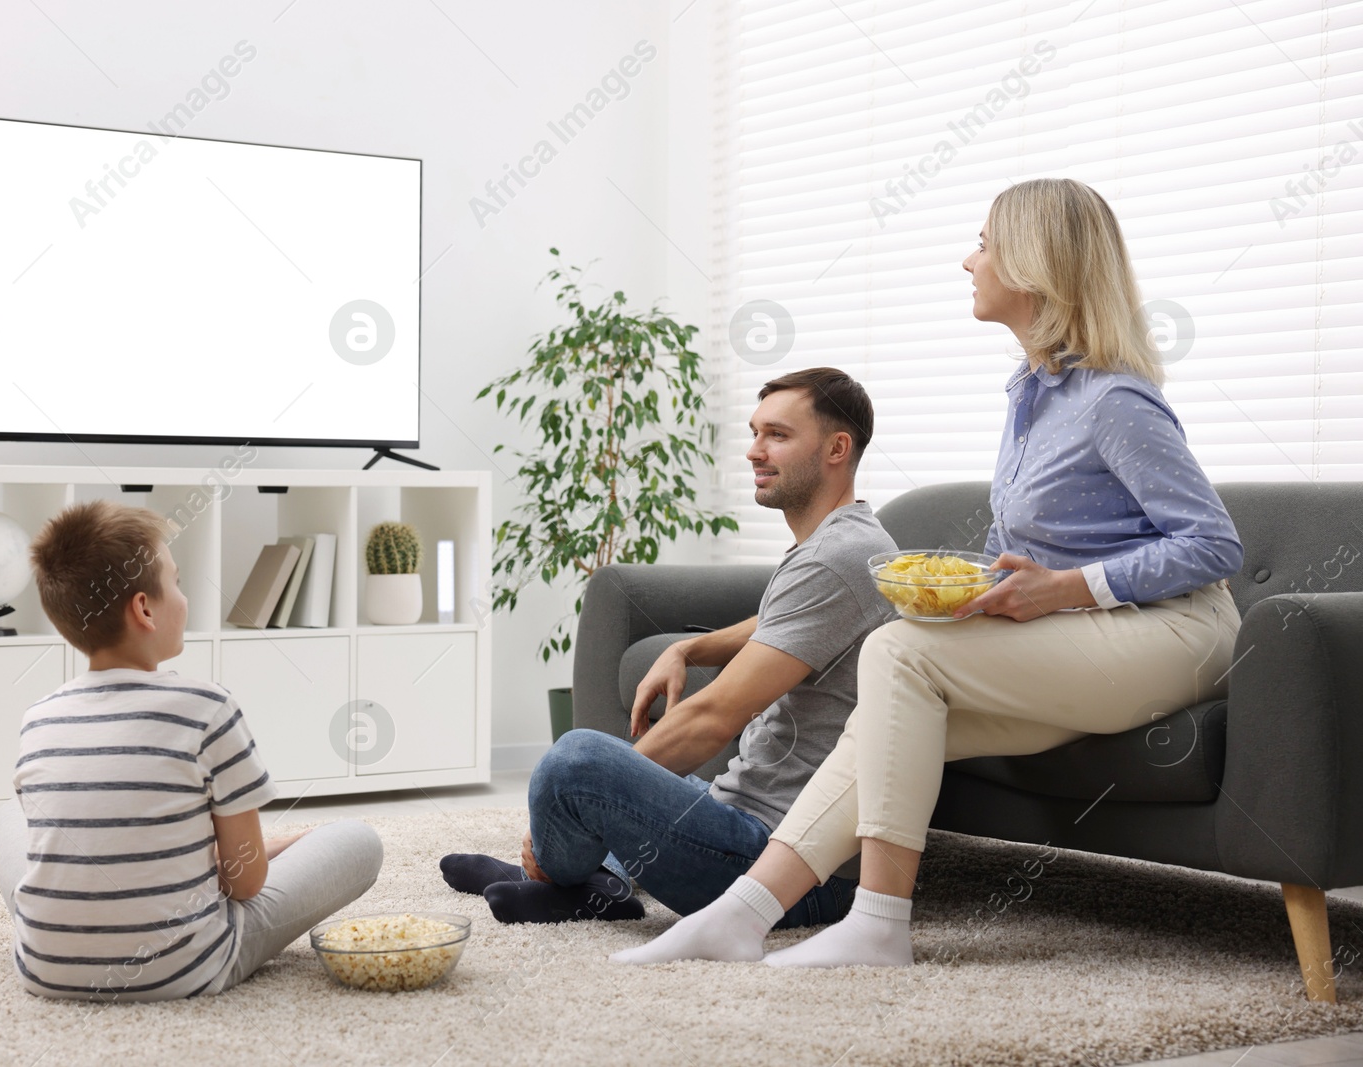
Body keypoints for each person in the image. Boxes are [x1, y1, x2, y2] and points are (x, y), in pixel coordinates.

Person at [612, 177, 1244, 968]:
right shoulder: (1032, 395)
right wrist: (996, 590)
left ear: (1036, 263)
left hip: (1182, 630)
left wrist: (1063, 589)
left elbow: (1214, 545)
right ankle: (742, 912)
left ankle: (879, 923)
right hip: (1103, 631)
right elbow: (1055, 549)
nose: (968, 259)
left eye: (985, 242)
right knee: (889, 704)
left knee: (897, 651)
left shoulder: (1114, 399)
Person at [440, 367, 900, 927]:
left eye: (777, 435)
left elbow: (711, 719)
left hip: (784, 868)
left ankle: (556, 869)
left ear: (837, 447)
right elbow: (778, 622)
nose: (755, 451)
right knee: (654, 780)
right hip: (744, 818)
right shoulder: (841, 543)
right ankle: (596, 884)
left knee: (576, 761)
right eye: (754, 433)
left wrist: (553, 819)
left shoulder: (836, 556)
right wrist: (690, 649)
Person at [0, 499, 383, 1001]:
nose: (185, 595)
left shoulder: (38, 717)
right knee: (357, 841)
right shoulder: (208, 707)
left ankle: (65, 928)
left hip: (47, 970)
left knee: (8, 817)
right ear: (144, 609)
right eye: (177, 581)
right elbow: (245, 884)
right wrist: (252, 852)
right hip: (183, 969)